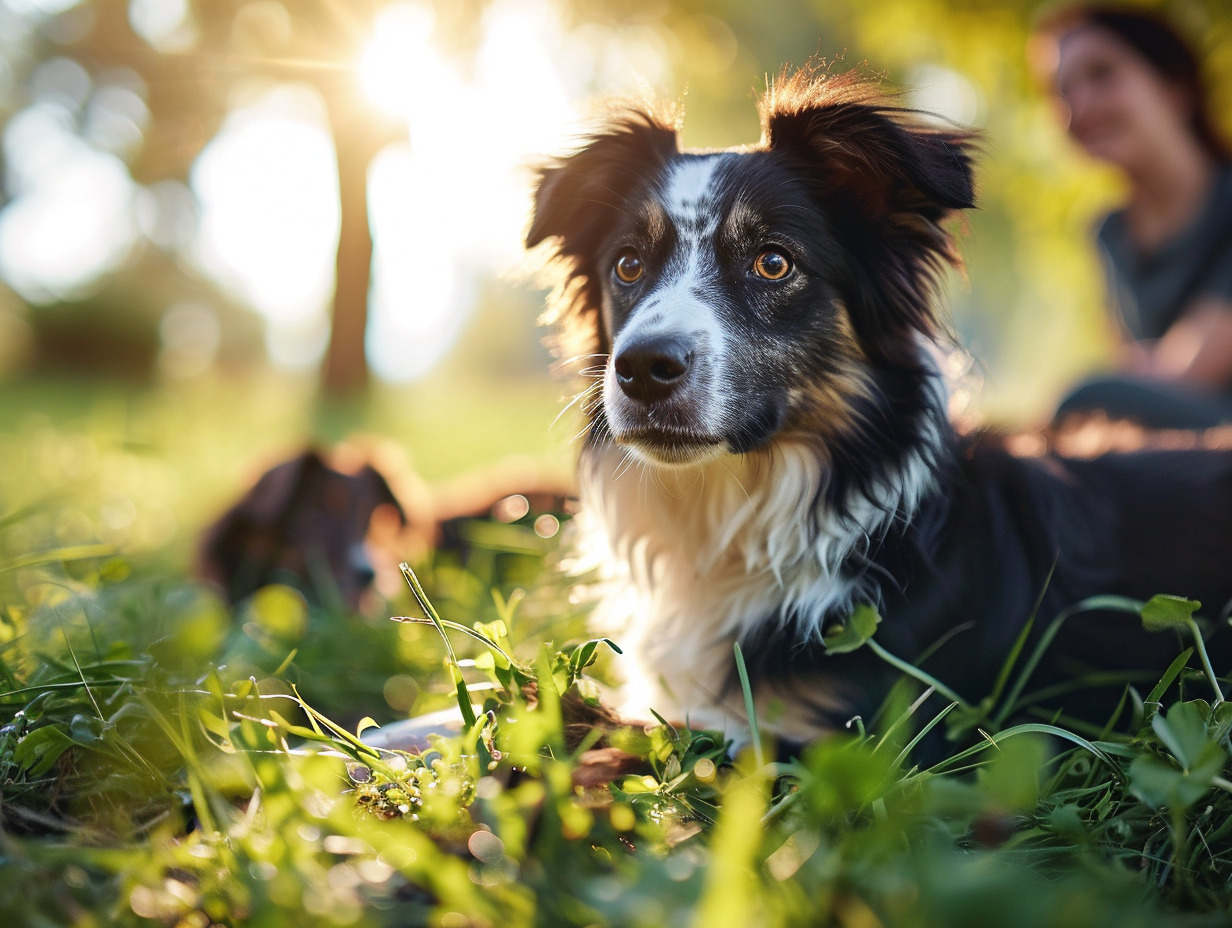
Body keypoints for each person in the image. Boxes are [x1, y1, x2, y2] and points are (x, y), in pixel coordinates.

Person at [1038, 6, 1232, 429]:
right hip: (1187, 456)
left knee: (1086, 402)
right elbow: (1137, 376)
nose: (1079, 106)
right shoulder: (1108, 234)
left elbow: (1189, 370)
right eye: (1062, 90)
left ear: (1175, 87)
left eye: (1102, 73)